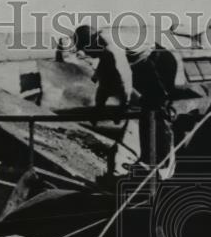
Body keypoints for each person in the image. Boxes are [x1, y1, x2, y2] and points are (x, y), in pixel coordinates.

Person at [70, 24, 178, 168]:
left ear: (90, 42)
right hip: (146, 63)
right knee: (147, 109)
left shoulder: (109, 43)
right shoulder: (104, 51)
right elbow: (104, 85)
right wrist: (98, 108)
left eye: (85, 49)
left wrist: (124, 105)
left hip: (160, 60)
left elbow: (125, 75)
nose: (86, 54)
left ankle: (160, 163)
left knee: (154, 109)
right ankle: (147, 159)